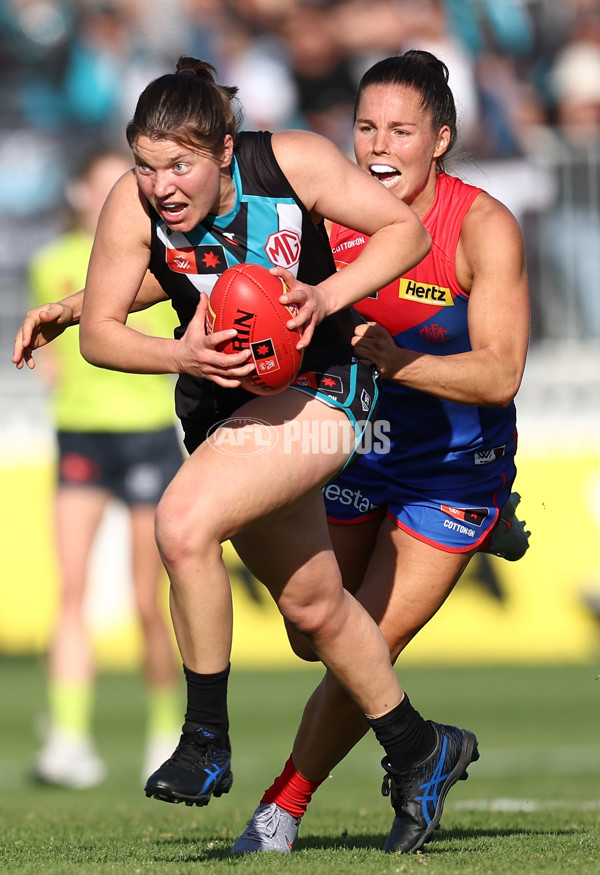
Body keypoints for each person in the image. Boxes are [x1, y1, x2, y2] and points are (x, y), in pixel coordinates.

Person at [14, 56, 480, 843]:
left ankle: (203, 739)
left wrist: (326, 296)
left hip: (327, 385)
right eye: (147, 164)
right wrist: (183, 357)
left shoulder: (289, 161)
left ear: (226, 151)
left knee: (183, 521)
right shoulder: (133, 206)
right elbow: (100, 333)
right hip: (223, 412)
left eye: (181, 165)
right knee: (313, 611)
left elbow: (402, 230)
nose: (161, 184)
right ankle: (420, 746)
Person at [230, 50, 530, 856]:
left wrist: (400, 362)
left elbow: (501, 371)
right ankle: (425, 745)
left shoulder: (480, 225)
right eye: (366, 126)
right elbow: (226, 276)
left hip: (449, 474)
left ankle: (278, 811)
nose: (378, 145)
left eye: (401, 128)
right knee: (311, 631)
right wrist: (87, 303)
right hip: (356, 455)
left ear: (442, 138)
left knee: (363, 643)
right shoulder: (330, 215)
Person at [27, 151, 184, 788]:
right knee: (71, 594)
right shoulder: (51, 262)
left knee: (150, 603)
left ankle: (166, 733)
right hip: (82, 436)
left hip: (148, 437)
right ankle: (69, 741)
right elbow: (51, 350)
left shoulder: (160, 258)